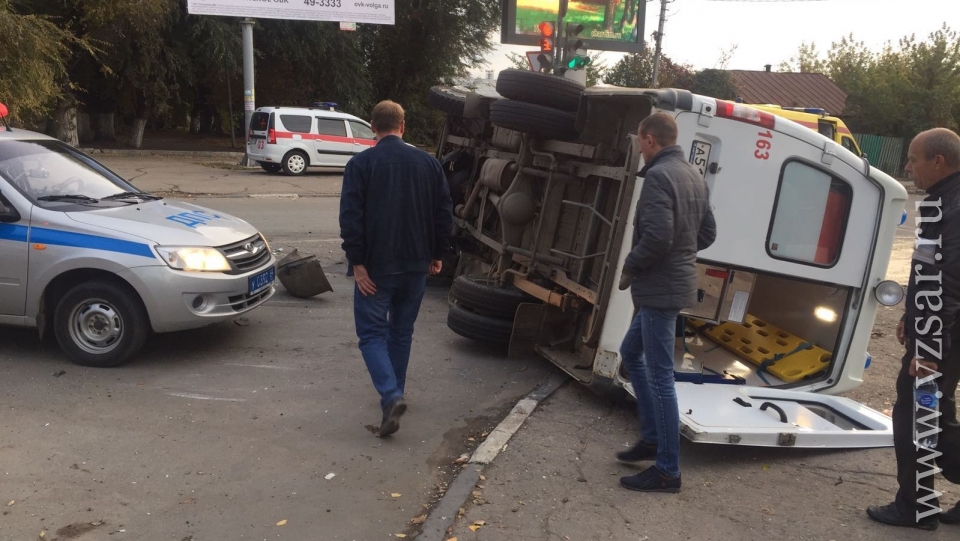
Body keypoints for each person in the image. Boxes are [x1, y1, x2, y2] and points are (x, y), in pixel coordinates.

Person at [339, 100, 453, 438]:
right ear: (403, 126)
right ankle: (396, 394)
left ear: (373, 127)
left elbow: (350, 218)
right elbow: (443, 212)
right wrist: (437, 253)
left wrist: (357, 263)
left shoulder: (360, 164)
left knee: (372, 334)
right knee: (401, 331)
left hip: (377, 266)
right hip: (416, 264)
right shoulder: (429, 164)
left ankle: (391, 397)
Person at [615, 113, 716, 492]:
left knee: (660, 377)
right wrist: (681, 253)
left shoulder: (659, 176)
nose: (640, 149)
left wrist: (631, 262)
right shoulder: (693, 175)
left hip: (660, 289)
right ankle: (653, 437)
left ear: (650, 140)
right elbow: (707, 233)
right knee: (631, 352)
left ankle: (667, 470)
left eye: (640, 141)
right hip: (670, 285)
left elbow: (658, 237)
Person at [868, 128, 960, 530]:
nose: (907, 167)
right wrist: (910, 312)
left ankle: (915, 506)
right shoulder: (942, 200)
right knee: (936, 410)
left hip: (943, 331)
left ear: (938, 162)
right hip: (939, 326)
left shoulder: (953, 206)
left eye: (913, 158)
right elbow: (927, 269)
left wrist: (927, 350)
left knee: (915, 411)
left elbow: (949, 283)